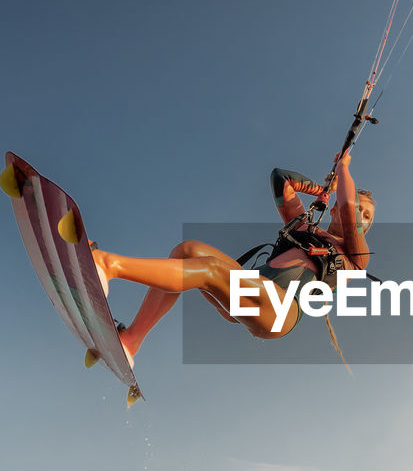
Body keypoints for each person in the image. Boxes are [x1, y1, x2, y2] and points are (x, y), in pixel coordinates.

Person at [90, 152, 373, 359]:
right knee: (188, 250)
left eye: (368, 216)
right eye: (363, 209)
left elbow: (350, 211)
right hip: (255, 290)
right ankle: (132, 340)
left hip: (279, 310)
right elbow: (280, 179)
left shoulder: (356, 260)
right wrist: (321, 190)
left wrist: (344, 169)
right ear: (331, 210)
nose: (363, 217)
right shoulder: (303, 226)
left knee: (209, 269)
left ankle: (107, 264)